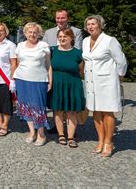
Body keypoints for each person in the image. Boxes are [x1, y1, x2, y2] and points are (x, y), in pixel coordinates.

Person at [82, 15, 127, 158]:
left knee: (107, 111)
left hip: (107, 82)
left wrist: (118, 77)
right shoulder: (85, 41)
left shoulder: (109, 40)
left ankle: (108, 142)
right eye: (88, 24)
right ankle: (100, 140)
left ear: (100, 25)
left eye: (93, 24)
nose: (90, 27)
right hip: (90, 82)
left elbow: (121, 61)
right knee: (96, 111)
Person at [42, 9, 82, 134]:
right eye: (58, 18)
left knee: (70, 102)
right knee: (57, 102)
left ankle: (70, 129)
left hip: (70, 69)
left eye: (63, 18)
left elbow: (78, 50)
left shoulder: (76, 31)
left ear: (67, 18)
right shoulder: (48, 33)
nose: (60, 20)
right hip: (55, 70)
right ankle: (58, 127)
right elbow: (43, 50)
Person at [13, 22, 52, 146]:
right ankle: (31, 132)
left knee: (38, 107)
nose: (32, 34)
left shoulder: (44, 45)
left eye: (35, 32)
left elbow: (48, 65)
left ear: (39, 33)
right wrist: (13, 79)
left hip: (39, 80)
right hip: (22, 80)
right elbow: (18, 63)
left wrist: (50, 81)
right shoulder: (20, 45)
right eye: (30, 32)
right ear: (25, 33)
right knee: (26, 107)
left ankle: (41, 134)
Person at [50, 28, 85, 148]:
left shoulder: (78, 53)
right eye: (60, 36)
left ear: (71, 38)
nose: (62, 39)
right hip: (57, 84)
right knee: (58, 110)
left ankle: (71, 137)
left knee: (72, 111)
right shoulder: (52, 51)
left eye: (65, 36)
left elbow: (82, 71)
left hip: (73, 84)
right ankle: (60, 135)